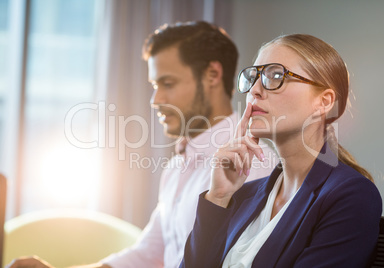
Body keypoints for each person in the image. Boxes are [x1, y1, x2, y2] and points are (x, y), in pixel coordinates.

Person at [7, 21, 276, 268]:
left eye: (167, 83)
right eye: (154, 85)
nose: (155, 100)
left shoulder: (253, 165)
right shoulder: (177, 167)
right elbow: (151, 253)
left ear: (213, 74)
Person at [180, 33, 382, 268]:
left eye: (276, 76)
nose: (254, 91)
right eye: (253, 77)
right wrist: (218, 197)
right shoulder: (243, 194)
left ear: (324, 102)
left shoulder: (351, 196)